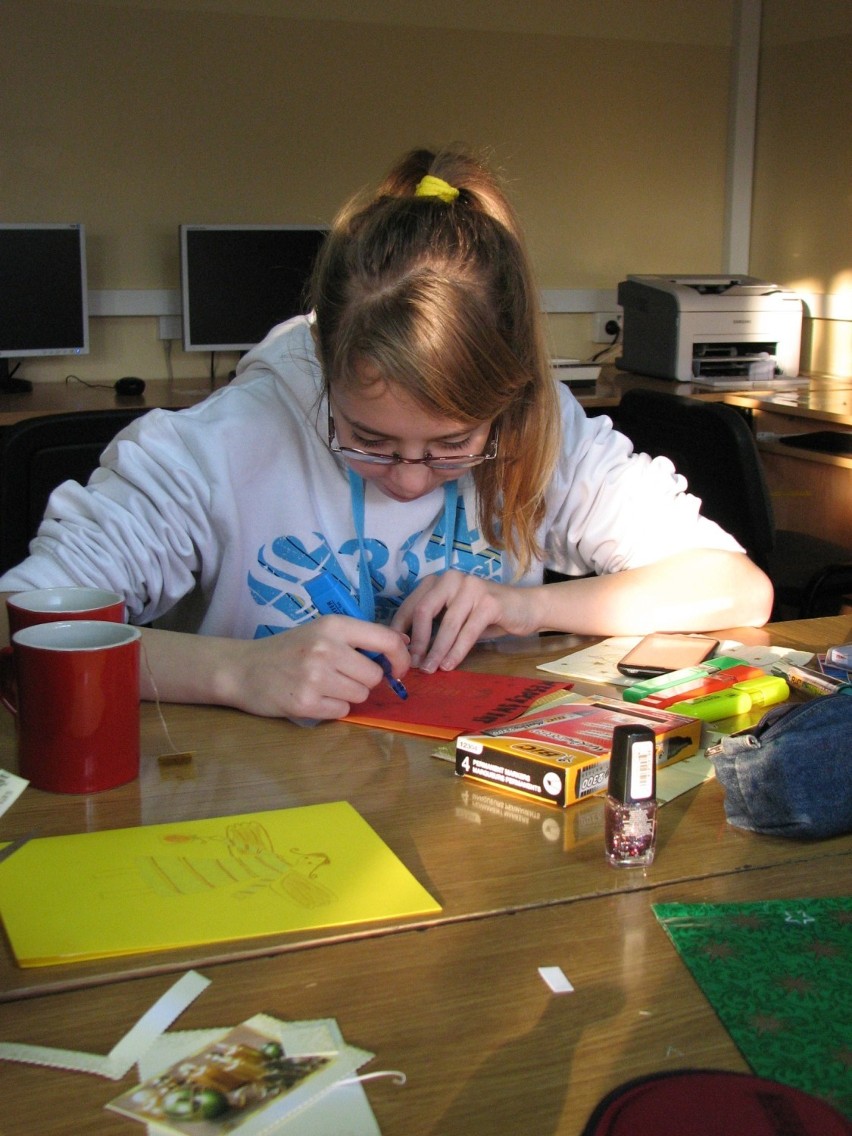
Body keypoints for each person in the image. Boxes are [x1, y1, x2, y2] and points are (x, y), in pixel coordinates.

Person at [0, 147, 773, 722]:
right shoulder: (217, 447)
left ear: (507, 403)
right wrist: (237, 672)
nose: (408, 479)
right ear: (324, 372)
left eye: (451, 448)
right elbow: (20, 628)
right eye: (367, 439)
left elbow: (735, 586)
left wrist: (522, 607)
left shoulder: (542, 431)